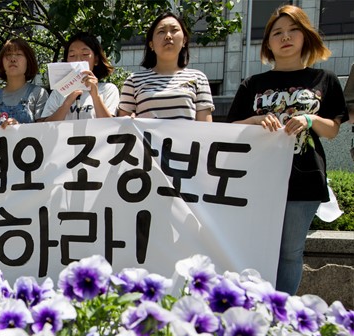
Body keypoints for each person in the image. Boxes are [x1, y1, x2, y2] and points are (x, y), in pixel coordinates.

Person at [226, 5, 348, 295]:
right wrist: (255, 120)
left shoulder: (325, 79)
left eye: (293, 30)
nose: (285, 37)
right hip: (257, 180)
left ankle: (281, 310)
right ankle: (255, 307)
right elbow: (231, 130)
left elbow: (332, 130)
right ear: (268, 43)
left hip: (305, 178)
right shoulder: (252, 84)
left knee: (291, 252)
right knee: (255, 248)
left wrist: (310, 119)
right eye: (277, 32)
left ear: (306, 36)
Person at [117, 12, 214, 121]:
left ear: (184, 40)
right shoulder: (133, 81)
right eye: (161, 31)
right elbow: (123, 125)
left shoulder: (199, 78)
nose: (168, 36)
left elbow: (205, 127)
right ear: (151, 44)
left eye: (174, 30)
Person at [40, 32, 119, 121]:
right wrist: (67, 102)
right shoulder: (58, 92)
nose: (78, 60)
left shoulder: (108, 89)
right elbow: (46, 126)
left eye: (85, 54)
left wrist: (95, 96)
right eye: (72, 55)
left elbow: (110, 125)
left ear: (96, 59)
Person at [0, 38, 49, 130]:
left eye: (19, 54)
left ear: (28, 61)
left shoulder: (39, 94)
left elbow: (44, 131)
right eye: (8, 55)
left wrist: (19, 128)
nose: (13, 59)